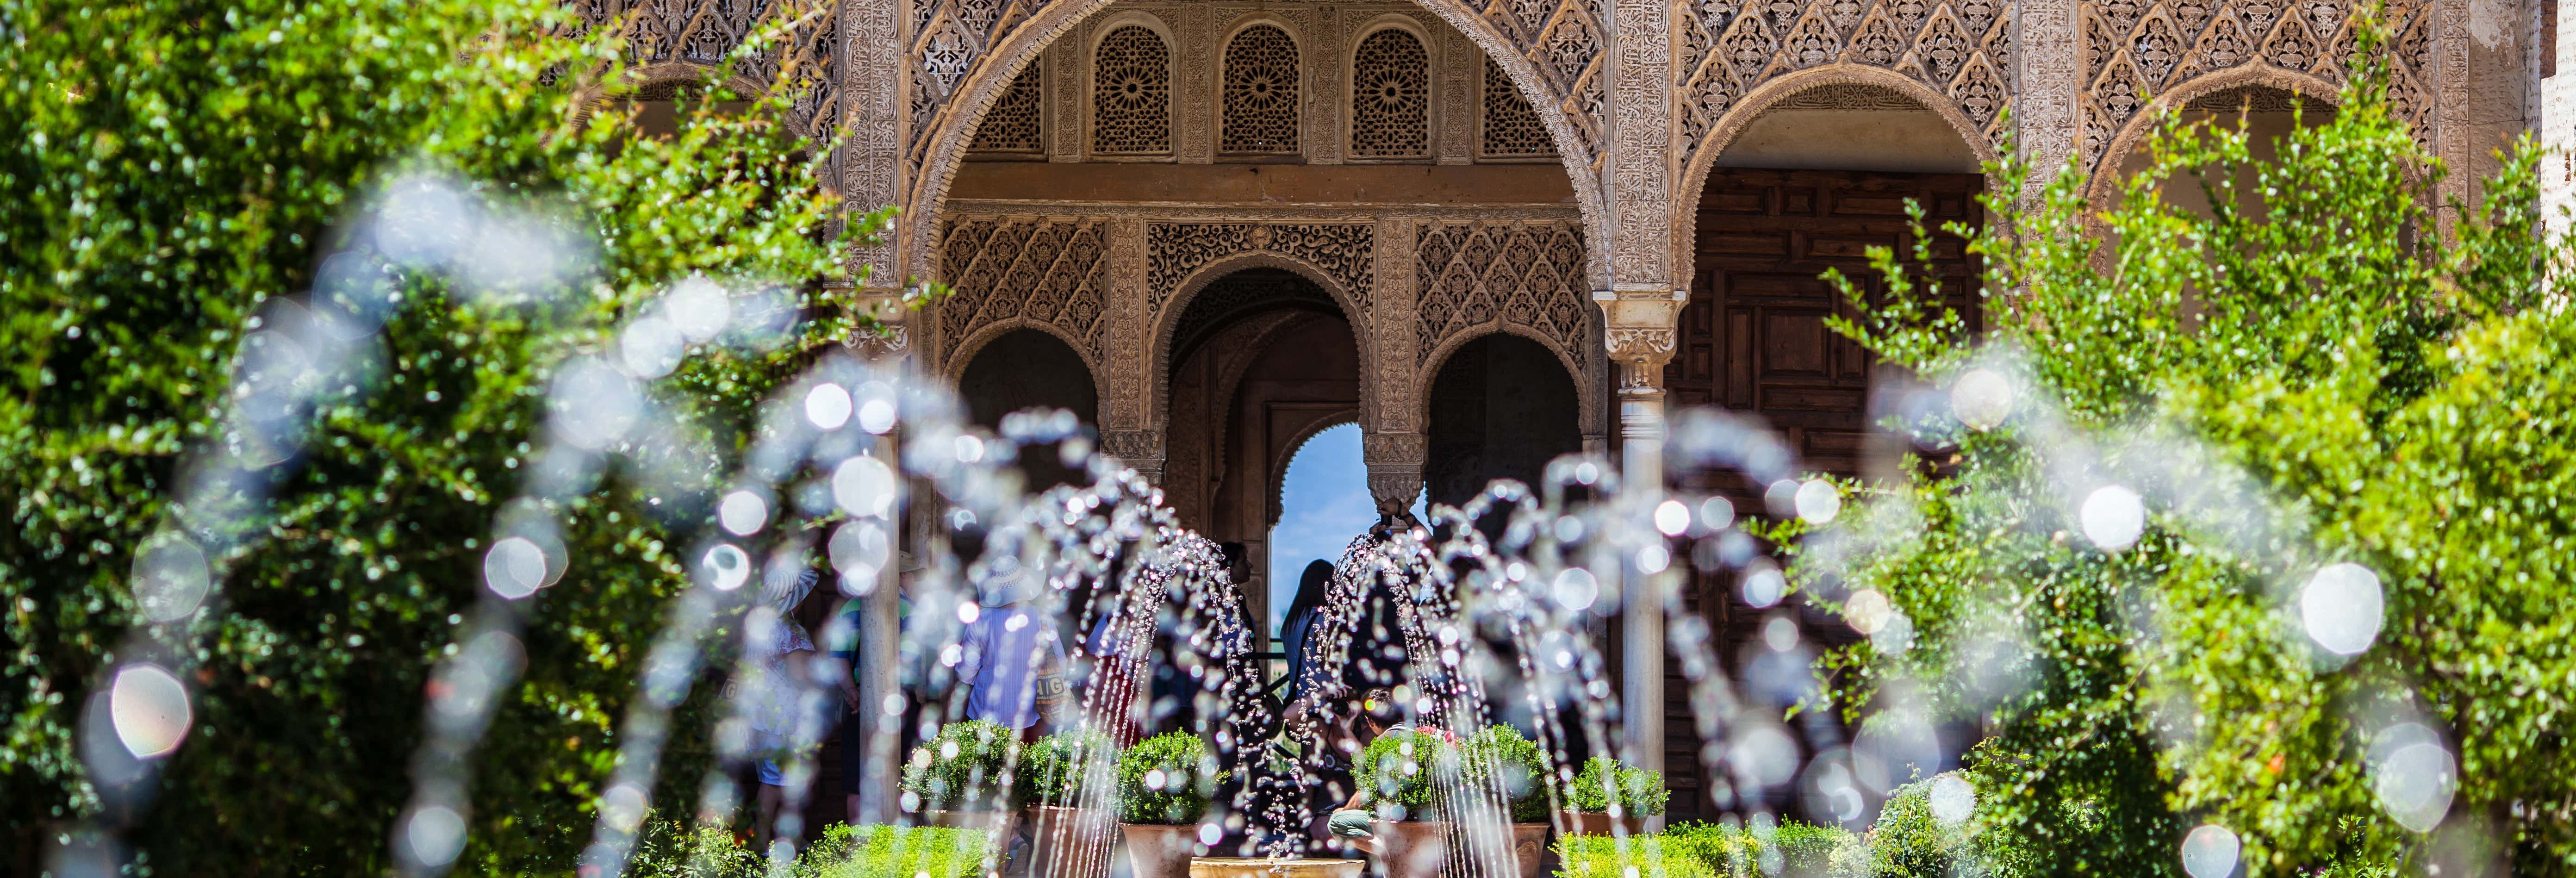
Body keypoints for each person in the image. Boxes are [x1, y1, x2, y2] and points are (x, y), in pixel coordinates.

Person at [749, 567, 821, 856]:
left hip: (761, 716)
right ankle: (780, 841)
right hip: (786, 717)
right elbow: (801, 675)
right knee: (783, 781)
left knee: (771, 779)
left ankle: (771, 839)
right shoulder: (791, 631)